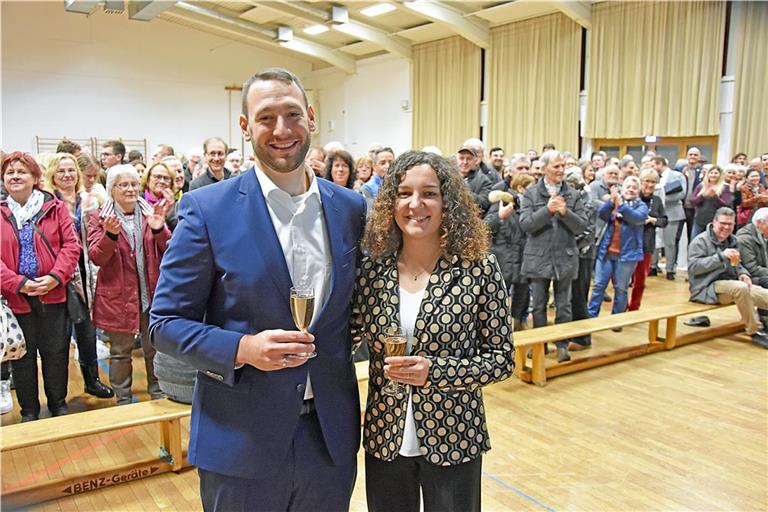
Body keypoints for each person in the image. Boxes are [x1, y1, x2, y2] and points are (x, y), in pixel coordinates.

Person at [149, 68, 366, 511]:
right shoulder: (208, 209)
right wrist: (243, 347)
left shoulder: (349, 208)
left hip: (328, 438)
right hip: (240, 439)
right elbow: (163, 324)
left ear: (311, 116)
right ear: (245, 127)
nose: (282, 130)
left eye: (292, 114)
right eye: (266, 118)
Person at [352, 150, 514, 512]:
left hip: (455, 436)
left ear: (447, 202)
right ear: (390, 202)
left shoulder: (478, 268)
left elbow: (502, 360)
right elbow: (345, 338)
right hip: (386, 437)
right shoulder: (373, 270)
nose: (415, 204)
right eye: (404, 193)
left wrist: (435, 372)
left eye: (429, 193)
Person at [0, 152, 81, 421]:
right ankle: (29, 410)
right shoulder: (1, 211)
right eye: (9, 172)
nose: (15, 176)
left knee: (56, 354)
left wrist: (55, 277)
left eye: (21, 171)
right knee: (22, 358)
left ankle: (58, 404)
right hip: (16, 299)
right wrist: (19, 283)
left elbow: (72, 246)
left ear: (35, 177)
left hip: (53, 295)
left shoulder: (54, 207)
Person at [88, 164, 171, 405]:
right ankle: (123, 399)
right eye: (123, 185)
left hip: (151, 293)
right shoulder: (99, 217)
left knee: (154, 348)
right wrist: (110, 236)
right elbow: (96, 256)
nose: (130, 189)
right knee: (120, 352)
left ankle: (158, 392)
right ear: (112, 189)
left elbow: (170, 249)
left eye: (134, 184)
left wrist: (159, 229)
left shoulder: (151, 213)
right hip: (117, 297)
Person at [44, 153, 114, 399]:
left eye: (71, 170)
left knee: (86, 330)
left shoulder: (90, 201)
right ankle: (57, 392)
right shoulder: (46, 203)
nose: (67, 175)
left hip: (86, 274)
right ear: (52, 174)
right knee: (58, 337)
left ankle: (92, 380)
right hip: (57, 276)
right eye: (61, 171)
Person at [520, 150, 588, 362]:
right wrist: (547, 211)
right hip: (538, 258)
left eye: (563, 166)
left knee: (564, 306)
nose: (561, 170)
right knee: (538, 305)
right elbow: (526, 225)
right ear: (544, 168)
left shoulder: (574, 195)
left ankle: (562, 346)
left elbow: (582, 227)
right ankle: (540, 344)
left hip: (565, 258)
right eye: (556, 166)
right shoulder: (531, 194)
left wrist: (565, 212)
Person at [688, 208, 768, 349]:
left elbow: (737, 264)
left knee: (762, 294)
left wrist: (743, 274)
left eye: (730, 224)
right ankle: (755, 331)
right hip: (706, 288)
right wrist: (720, 257)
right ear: (714, 222)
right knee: (740, 288)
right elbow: (694, 268)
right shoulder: (699, 241)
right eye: (723, 223)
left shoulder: (733, 240)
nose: (726, 227)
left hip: (731, 286)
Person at [587, 176, 649, 321]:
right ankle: (590, 316)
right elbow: (602, 214)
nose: (631, 190)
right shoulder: (615, 202)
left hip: (627, 255)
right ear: (623, 188)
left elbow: (636, 218)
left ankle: (617, 319)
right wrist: (610, 202)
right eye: (628, 187)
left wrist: (620, 205)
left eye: (634, 187)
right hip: (606, 252)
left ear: (638, 191)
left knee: (621, 289)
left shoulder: (642, 206)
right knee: (598, 287)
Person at [485, 171, 534, 331]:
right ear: (520, 188)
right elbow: (486, 225)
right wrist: (499, 217)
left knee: (522, 293)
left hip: (523, 255)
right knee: (499, 295)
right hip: (503, 255)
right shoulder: (502, 201)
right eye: (530, 188)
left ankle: (518, 322)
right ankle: (497, 327)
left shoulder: (530, 204)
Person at [628, 170, 668, 311]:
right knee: (622, 279)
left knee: (640, 280)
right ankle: (621, 306)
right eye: (647, 181)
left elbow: (664, 220)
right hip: (629, 243)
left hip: (646, 244)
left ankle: (634, 307)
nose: (649, 185)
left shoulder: (656, 201)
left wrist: (653, 220)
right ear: (640, 181)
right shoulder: (632, 196)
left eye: (653, 182)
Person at [691, 165, 732, 240]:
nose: (713, 175)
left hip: (716, 221)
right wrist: (703, 195)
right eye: (711, 173)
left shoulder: (725, 187)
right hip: (700, 220)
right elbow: (693, 202)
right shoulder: (700, 186)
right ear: (708, 174)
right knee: (695, 241)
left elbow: (726, 204)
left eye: (716, 173)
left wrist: (715, 197)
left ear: (720, 175)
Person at [140, 161, 178, 229]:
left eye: (166, 178)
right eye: (157, 177)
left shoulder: (176, 205)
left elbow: (177, 229)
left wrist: (169, 211)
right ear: (148, 180)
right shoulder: (139, 201)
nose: (162, 181)